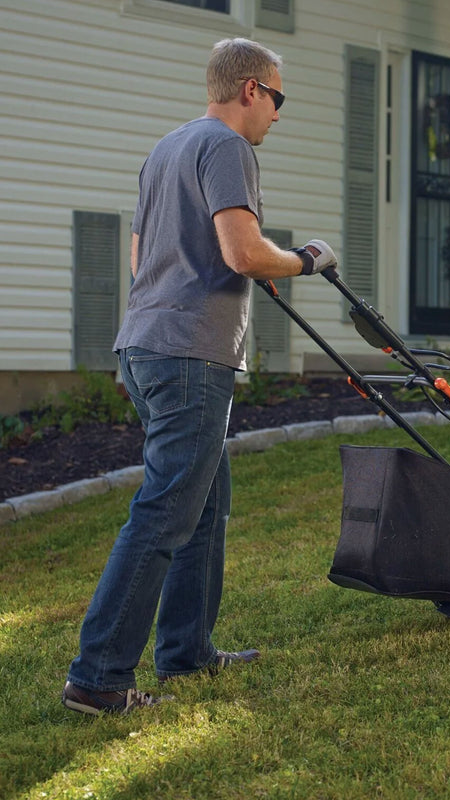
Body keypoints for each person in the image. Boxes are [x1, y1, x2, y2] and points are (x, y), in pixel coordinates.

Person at [62, 37, 337, 716]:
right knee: (166, 511)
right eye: (277, 98)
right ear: (250, 90)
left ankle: (186, 653)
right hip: (189, 354)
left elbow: (141, 256)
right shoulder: (227, 148)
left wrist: (232, 268)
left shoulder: (167, 148)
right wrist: (304, 260)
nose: (277, 114)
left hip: (146, 343)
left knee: (205, 504)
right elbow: (243, 251)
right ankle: (98, 677)